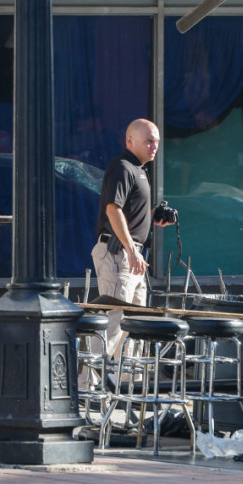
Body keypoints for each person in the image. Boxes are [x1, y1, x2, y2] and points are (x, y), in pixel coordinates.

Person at [92, 118, 172, 357]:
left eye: (156, 141)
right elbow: (112, 209)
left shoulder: (139, 170)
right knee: (114, 319)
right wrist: (131, 249)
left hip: (132, 255)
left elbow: (127, 211)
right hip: (120, 253)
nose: (154, 146)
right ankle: (90, 385)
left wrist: (152, 217)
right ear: (130, 140)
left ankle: (126, 385)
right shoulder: (124, 167)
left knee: (135, 324)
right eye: (148, 141)